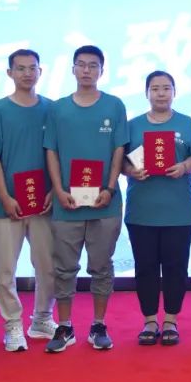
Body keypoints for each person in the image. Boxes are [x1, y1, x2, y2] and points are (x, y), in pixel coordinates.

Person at [42, 45, 126, 352]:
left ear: (102, 70)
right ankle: (64, 327)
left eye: (93, 65)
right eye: (81, 64)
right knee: (64, 268)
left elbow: (119, 149)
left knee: (101, 267)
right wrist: (58, 189)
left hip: (105, 203)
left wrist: (110, 188)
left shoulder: (114, 106)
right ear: (73, 69)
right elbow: (51, 150)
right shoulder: (58, 108)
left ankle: (98, 325)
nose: (87, 70)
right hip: (68, 203)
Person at [0, 49, 57, 351]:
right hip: (7, 204)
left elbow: (58, 154)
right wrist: (4, 196)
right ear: (9, 73)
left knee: (47, 266)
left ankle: (42, 318)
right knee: (5, 270)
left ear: (40, 71)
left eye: (32, 68)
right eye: (21, 68)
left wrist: (53, 190)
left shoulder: (52, 109)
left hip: (44, 203)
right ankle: (12, 324)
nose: (27, 73)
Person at [123, 71, 191, 346]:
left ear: (174, 92)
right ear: (146, 93)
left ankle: (170, 320)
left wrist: (185, 166)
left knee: (175, 267)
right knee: (145, 267)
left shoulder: (187, 124)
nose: (160, 93)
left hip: (179, 211)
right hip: (141, 211)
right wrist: (131, 171)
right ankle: (149, 321)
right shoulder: (132, 126)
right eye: (155, 88)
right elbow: (120, 161)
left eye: (166, 88)